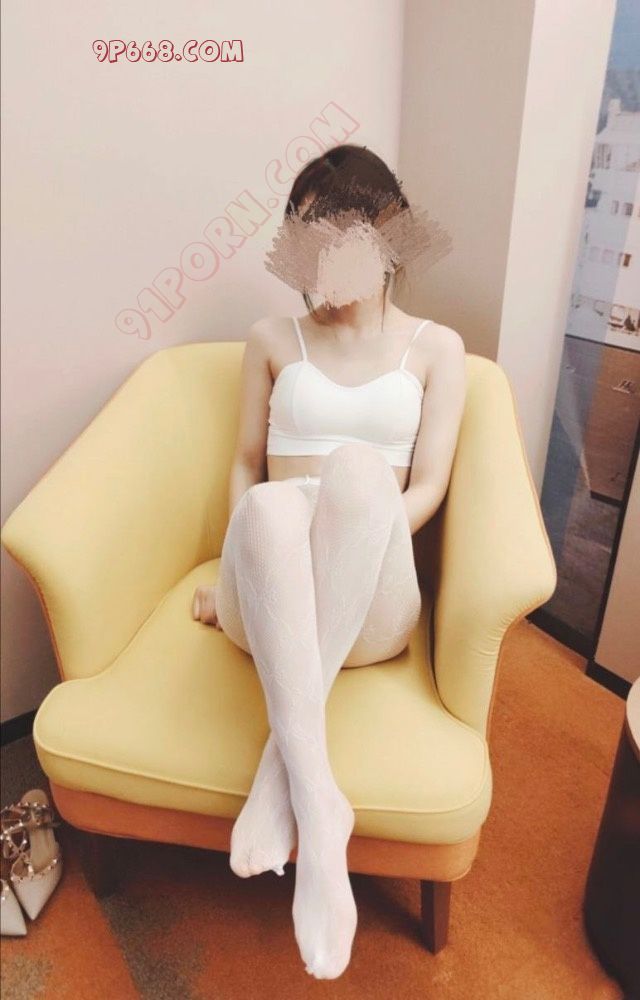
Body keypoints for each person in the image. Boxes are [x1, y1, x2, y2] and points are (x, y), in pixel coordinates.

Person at [191, 143, 467, 980]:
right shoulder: (271, 338)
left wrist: (362, 528)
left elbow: (429, 487)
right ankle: (322, 810)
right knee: (273, 504)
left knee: (355, 472)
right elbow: (246, 464)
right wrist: (239, 565)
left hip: (371, 598)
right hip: (268, 592)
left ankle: (284, 776)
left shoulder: (437, 348)